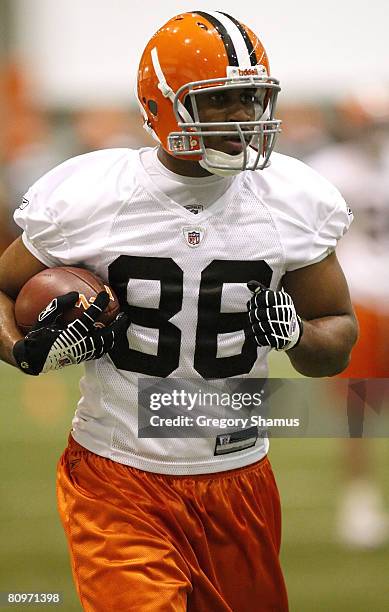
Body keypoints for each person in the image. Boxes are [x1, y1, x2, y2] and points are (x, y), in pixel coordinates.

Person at [0, 11, 358, 612]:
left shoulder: (294, 200)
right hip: (117, 475)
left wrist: (297, 334)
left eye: (253, 98)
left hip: (239, 475)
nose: (246, 119)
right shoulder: (90, 197)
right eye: (222, 102)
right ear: (164, 106)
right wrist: (22, 350)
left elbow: (336, 338)